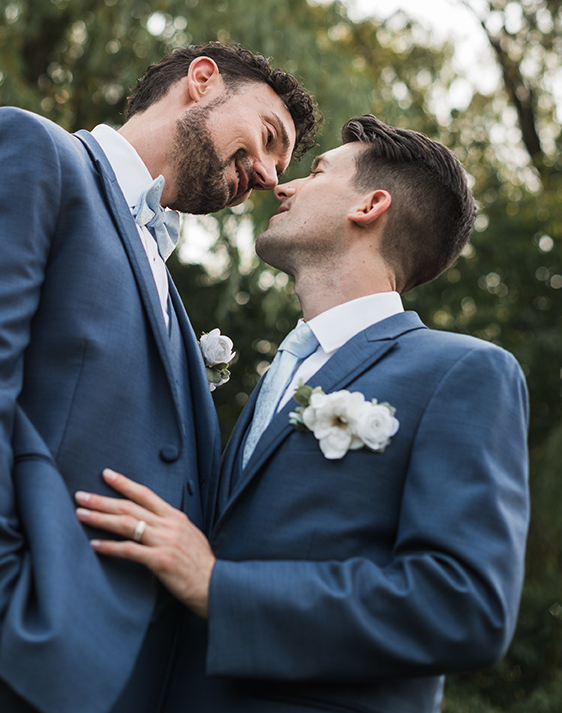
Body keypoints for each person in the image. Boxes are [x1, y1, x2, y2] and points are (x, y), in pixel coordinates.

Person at [0, 42, 319, 713]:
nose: (269, 174)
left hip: (111, 683)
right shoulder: (32, 151)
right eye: (268, 137)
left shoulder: (170, 292)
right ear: (201, 81)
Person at [75, 114, 530, 713]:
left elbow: (462, 606)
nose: (280, 186)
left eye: (316, 171)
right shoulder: (276, 378)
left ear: (370, 206)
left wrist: (220, 588)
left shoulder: (462, 374)